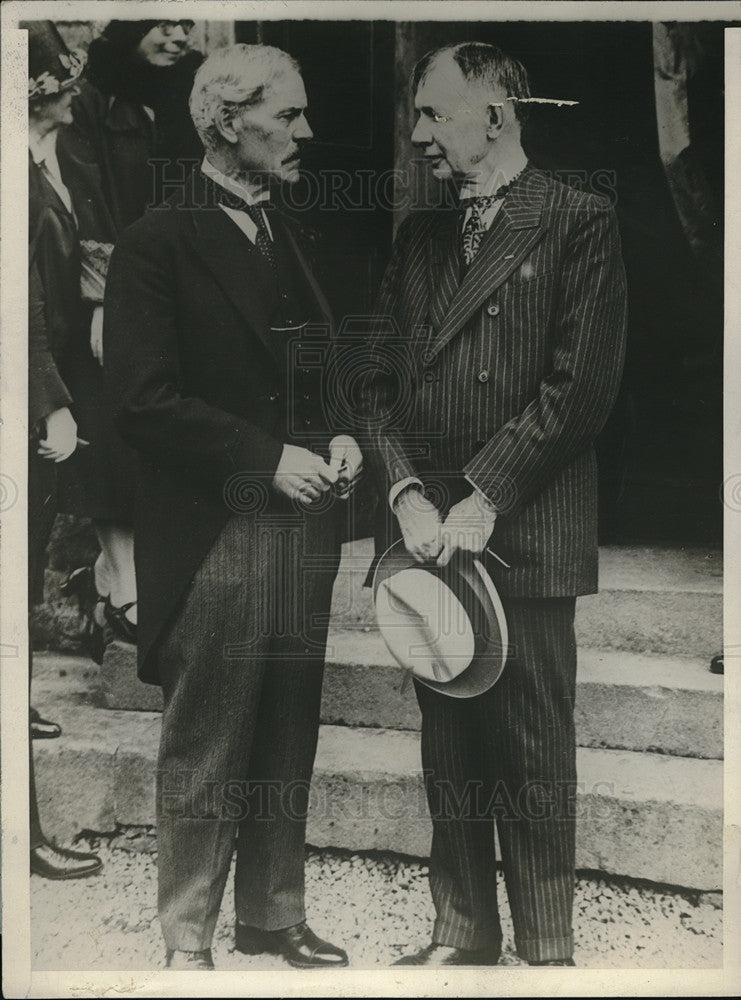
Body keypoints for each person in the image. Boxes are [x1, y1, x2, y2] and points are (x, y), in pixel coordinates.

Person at [363, 42, 628, 966]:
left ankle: (548, 944)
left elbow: (577, 390)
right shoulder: (421, 236)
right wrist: (401, 493)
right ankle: (462, 930)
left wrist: (483, 495)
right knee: (450, 743)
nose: (417, 133)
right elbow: (376, 384)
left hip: (521, 531)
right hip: (427, 538)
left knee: (531, 747)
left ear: (498, 113)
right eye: (416, 114)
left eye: (434, 114)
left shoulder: (577, 221)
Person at [103, 43, 361, 970]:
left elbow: (312, 370)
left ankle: (271, 914)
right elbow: (141, 402)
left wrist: (337, 432)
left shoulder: (289, 230)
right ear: (223, 122)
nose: (305, 132)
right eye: (286, 117)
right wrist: (265, 457)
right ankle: (186, 941)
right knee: (208, 740)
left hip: (304, 524)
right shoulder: (156, 241)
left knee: (288, 726)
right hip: (218, 532)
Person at [56, 21, 204, 655]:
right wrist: (102, 301)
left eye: (186, 22)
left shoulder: (195, 90)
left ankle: (124, 578)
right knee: (113, 420)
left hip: (177, 281)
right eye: (162, 22)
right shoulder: (89, 98)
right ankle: (120, 578)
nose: (177, 34)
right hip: (108, 288)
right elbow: (84, 199)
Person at [26, 19, 102, 880]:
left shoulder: (47, 162)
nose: (78, 88)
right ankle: (25, 834)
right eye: (62, 74)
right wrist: (49, 407)